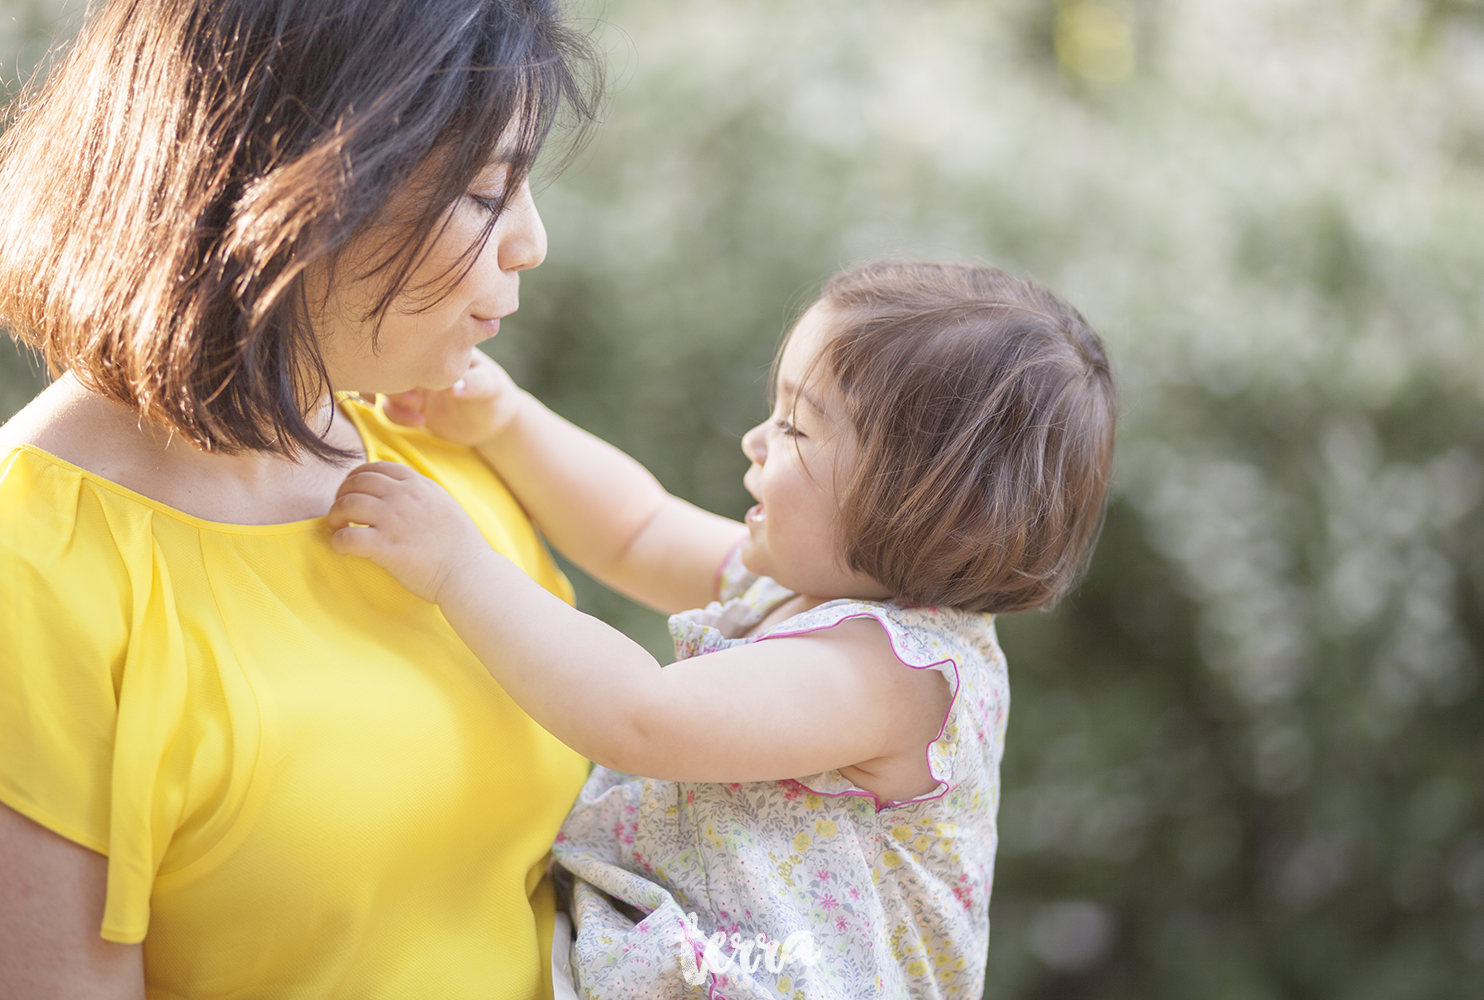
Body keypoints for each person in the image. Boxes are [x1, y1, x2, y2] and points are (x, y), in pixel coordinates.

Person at [0, 0, 600, 995]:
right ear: (305, 180)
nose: (530, 241)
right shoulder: (32, 573)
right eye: (488, 192)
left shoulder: (440, 450)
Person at [329, 259, 1118, 998]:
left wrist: (457, 567)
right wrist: (505, 423)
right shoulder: (796, 589)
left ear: (932, 514)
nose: (755, 440)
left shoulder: (892, 675)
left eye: (797, 429)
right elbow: (635, 529)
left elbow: (637, 718)